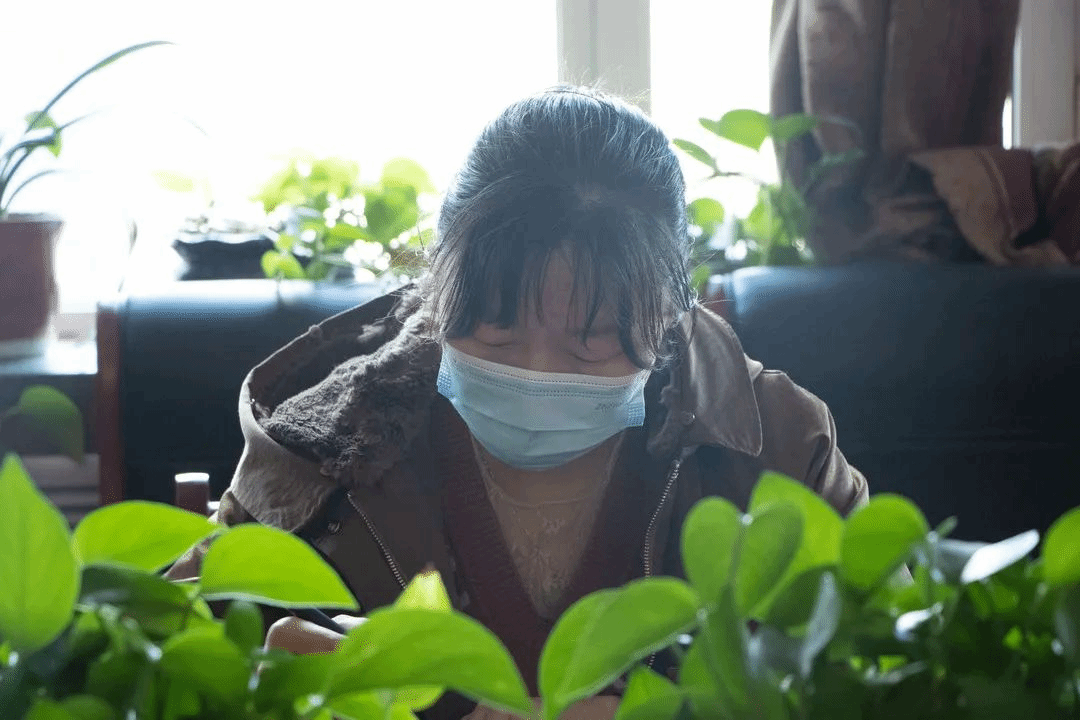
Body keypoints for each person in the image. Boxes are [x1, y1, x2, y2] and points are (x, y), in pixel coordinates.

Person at [167, 86, 868, 720]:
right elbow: (156, 655)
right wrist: (281, 677)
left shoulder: (777, 444)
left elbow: (882, 671)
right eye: (494, 331)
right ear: (438, 290)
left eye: (591, 342)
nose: (535, 371)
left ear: (670, 313)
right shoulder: (318, 451)